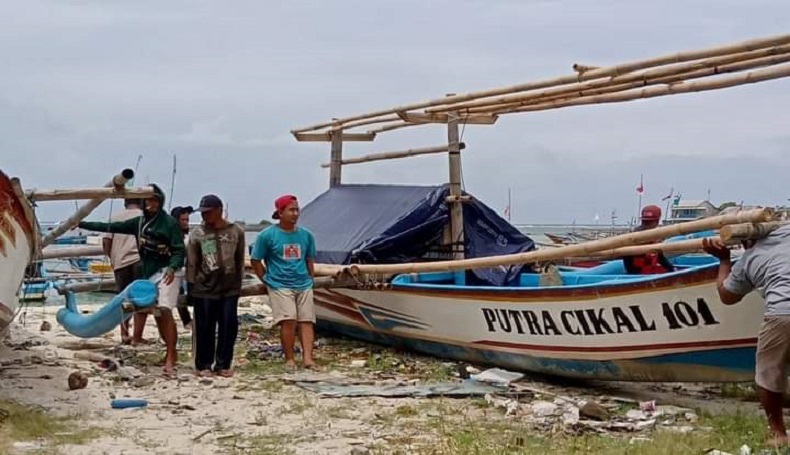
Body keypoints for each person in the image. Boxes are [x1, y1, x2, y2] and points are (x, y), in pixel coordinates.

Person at [78, 184, 185, 375]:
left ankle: (170, 355)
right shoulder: (138, 222)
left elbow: (179, 250)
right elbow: (110, 227)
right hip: (149, 272)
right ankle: (169, 350)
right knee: (157, 312)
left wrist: (172, 266)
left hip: (168, 271)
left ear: (160, 202)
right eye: (147, 200)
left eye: (154, 200)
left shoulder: (169, 223)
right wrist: (80, 224)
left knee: (165, 309)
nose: (151, 204)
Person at [703, 227, 790, 446]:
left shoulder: (750, 259)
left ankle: (779, 434)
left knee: (768, 372)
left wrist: (724, 261)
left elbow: (727, 296)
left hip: (783, 312)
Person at [250, 194, 317, 369]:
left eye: (297, 209)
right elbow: (256, 260)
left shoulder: (307, 235)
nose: (295, 214)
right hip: (279, 284)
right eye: (291, 210)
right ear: (280, 213)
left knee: (307, 320)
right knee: (288, 320)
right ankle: (289, 358)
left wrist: (310, 278)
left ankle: (308, 359)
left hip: (303, 283)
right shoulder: (267, 235)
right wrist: (265, 279)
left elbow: (309, 259)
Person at [186, 195, 246, 377]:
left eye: (208, 212)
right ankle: (203, 364)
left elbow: (240, 259)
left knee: (229, 325)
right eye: (203, 213)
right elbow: (192, 262)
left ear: (219, 210)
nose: (205, 216)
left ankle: (223, 364)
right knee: (205, 327)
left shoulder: (236, 231)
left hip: (229, 287)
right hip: (204, 287)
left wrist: (238, 284)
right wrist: (191, 286)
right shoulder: (198, 233)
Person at [102, 198, 144, 344]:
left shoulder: (115, 218)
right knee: (140, 300)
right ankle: (137, 337)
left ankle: (124, 334)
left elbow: (106, 242)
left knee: (123, 299)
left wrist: (113, 258)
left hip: (120, 262)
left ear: (125, 203)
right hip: (140, 261)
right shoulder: (144, 217)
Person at [622, 205, 675, 275]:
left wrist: (671, 269)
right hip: (637, 274)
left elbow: (660, 258)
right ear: (657, 221)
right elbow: (660, 258)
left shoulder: (638, 235)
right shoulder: (636, 237)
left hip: (641, 272)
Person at [170, 205, 194, 331]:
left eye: (187, 220)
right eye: (183, 220)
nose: (185, 223)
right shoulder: (171, 236)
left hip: (187, 271)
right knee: (177, 294)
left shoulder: (187, 236)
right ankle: (186, 320)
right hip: (174, 270)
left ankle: (189, 320)